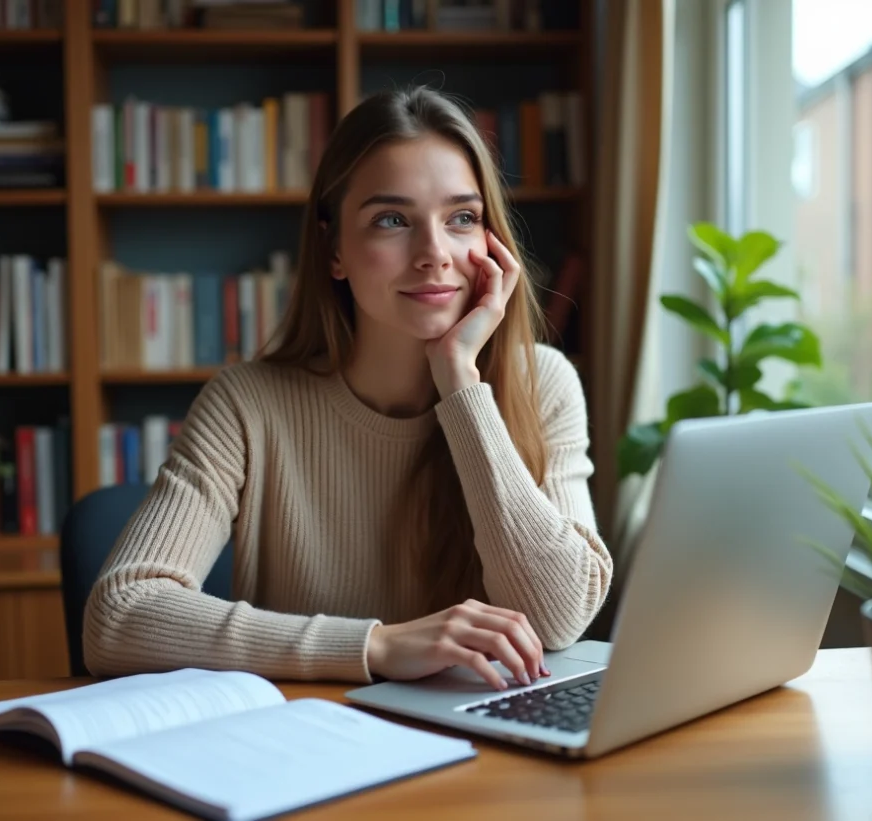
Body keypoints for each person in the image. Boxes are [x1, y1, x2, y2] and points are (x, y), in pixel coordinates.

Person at [83, 85, 613, 693]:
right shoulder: (247, 404)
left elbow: (556, 620)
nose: (435, 254)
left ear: (491, 242)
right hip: (313, 748)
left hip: (485, 750)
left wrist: (460, 384)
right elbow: (118, 616)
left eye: (462, 218)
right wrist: (376, 645)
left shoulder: (543, 382)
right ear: (334, 248)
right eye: (392, 220)